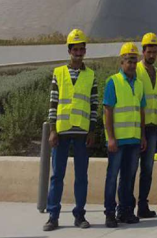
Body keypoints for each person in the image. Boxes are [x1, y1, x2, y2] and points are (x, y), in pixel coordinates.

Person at [44, 29, 98, 231]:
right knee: (57, 176)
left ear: (85, 51)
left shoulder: (91, 75)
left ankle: (79, 215)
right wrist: (52, 130)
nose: (78, 53)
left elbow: (94, 105)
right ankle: (53, 216)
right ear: (69, 50)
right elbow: (53, 103)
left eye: (81, 49)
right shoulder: (58, 73)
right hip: (62, 131)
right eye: (75, 49)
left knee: (81, 177)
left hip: (82, 132)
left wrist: (92, 130)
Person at [103, 43, 146, 228]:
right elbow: (108, 111)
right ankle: (110, 213)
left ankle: (125, 211)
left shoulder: (139, 84)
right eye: (129, 61)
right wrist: (111, 138)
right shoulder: (113, 82)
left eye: (134, 61)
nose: (132, 65)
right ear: (122, 62)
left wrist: (142, 136)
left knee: (128, 177)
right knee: (112, 177)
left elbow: (141, 112)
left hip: (134, 139)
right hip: (118, 141)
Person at [135, 33, 157, 219]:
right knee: (130, 169)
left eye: (154, 52)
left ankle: (142, 205)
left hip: (152, 127)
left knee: (147, 169)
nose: (152, 55)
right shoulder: (135, 70)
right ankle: (126, 207)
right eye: (149, 51)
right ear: (143, 51)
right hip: (136, 127)